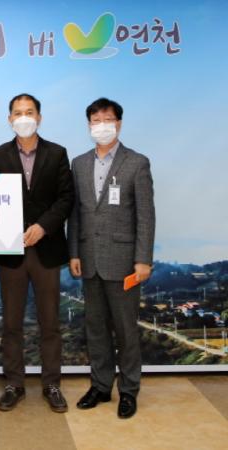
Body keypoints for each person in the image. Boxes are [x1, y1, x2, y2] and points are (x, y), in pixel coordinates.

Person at [68, 97, 155, 419]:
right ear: (89, 125)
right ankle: (101, 386)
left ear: (118, 123)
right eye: (95, 120)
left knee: (126, 330)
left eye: (107, 120)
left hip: (124, 261)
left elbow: (145, 216)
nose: (101, 125)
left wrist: (143, 259)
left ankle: (129, 390)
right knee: (96, 329)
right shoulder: (79, 163)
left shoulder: (137, 163)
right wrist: (73, 252)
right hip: (89, 259)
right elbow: (75, 213)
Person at [0, 93, 74, 413]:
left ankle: (52, 384)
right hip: (10, 252)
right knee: (11, 324)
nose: (23, 118)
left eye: (29, 112)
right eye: (17, 113)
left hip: (46, 250)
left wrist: (43, 226)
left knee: (49, 323)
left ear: (39, 117)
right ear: (9, 119)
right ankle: (14, 384)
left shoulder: (57, 153)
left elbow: (66, 198)